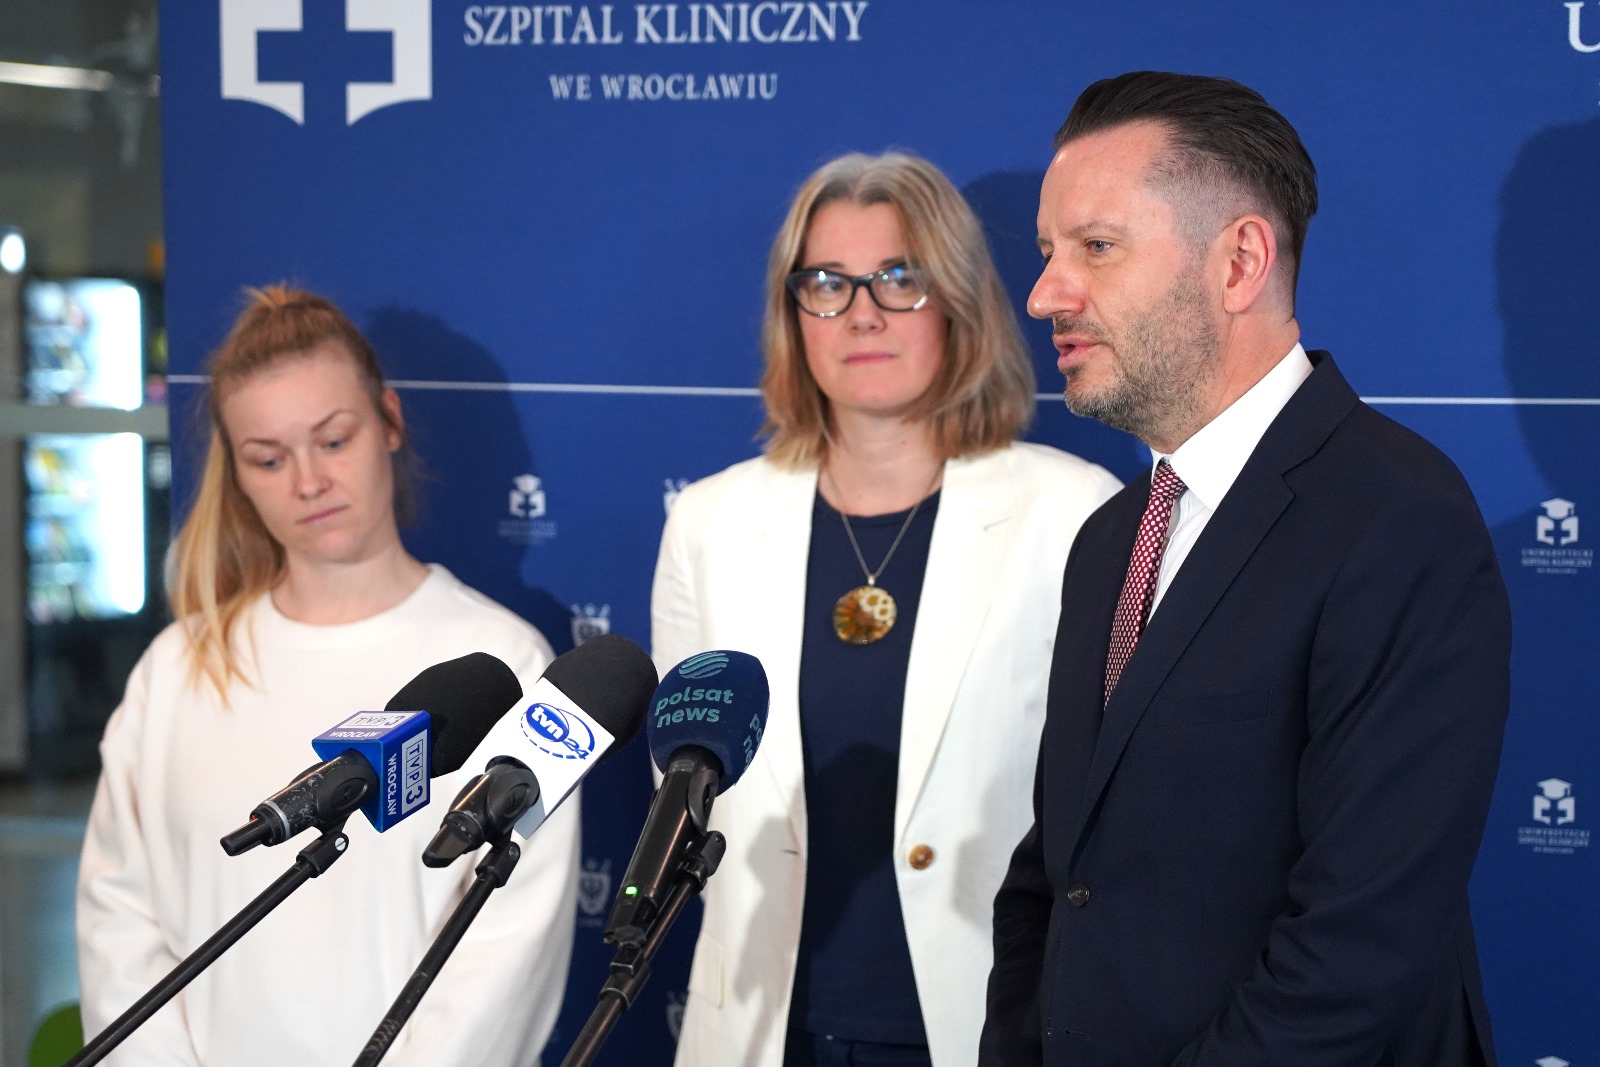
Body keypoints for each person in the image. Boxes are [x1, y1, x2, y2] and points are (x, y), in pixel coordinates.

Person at [981, 71, 1511, 1067]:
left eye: (1096, 247)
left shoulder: (1399, 517)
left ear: (1239, 263)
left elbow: (1360, 945)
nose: (1045, 294)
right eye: (1049, 252)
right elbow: (1056, 871)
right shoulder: (1111, 537)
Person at [652, 151, 1121, 1067]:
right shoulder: (709, 523)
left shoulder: (1075, 515)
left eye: (899, 277)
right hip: (759, 1029)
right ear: (794, 311)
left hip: (989, 1024)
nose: (862, 312)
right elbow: (688, 792)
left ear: (957, 301)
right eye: (828, 282)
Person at [75, 287, 579, 1066]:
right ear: (237, 474)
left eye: (334, 440)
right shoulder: (177, 670)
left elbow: (508, 942)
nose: (307, 481)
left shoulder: (501, 662)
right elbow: (118, 917)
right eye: (269, 458)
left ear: (389, 421)